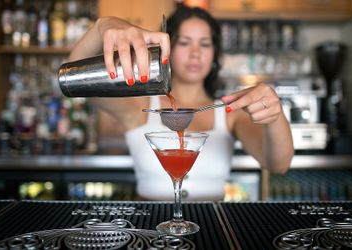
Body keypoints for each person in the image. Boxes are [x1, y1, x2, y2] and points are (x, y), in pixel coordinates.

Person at [69, 7, 294, 201]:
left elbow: (278, 164)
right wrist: (103, 25)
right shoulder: (139, 106)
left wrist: (275, 116)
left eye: (205, 44)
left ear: (214, 54)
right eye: (185, 43)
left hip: (212, 226)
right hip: (150, 227)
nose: (195, 53)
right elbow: (73, 79)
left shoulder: (229, 112)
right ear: (166, 47)